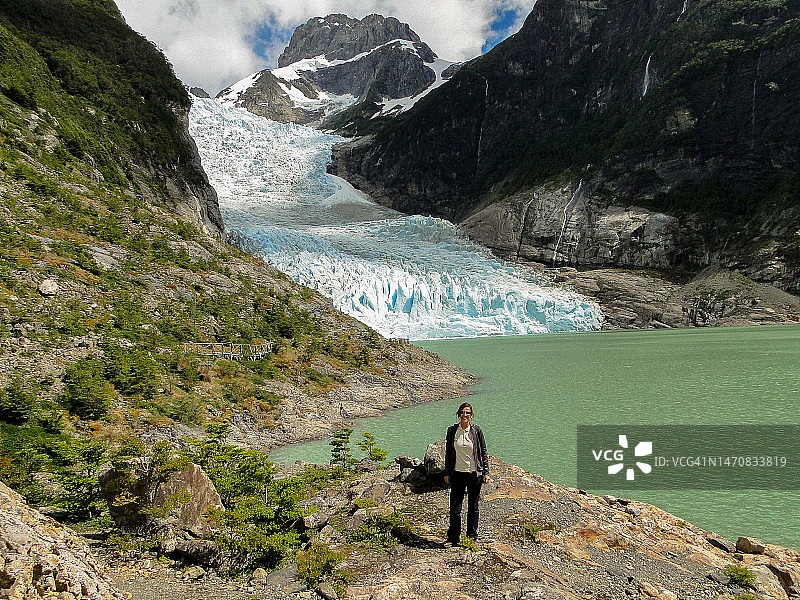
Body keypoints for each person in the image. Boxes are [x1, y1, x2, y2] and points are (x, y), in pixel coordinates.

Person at [443, 402, 489, 545]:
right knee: (455, 508)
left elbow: (483, 452)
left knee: (473, 507)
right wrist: (447, 471)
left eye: (468, 412)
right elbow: (448, 453)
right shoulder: (452, 431)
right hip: (457, 473)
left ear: (471, 415)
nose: (465, 415)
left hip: (474, 474)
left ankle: (471, 537)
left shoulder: (476, 431)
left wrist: (486, 472)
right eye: (463, 412)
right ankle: (453, 538)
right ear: (459, 414)